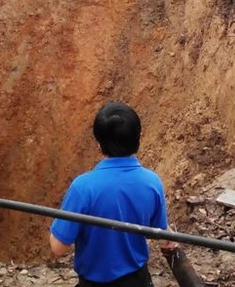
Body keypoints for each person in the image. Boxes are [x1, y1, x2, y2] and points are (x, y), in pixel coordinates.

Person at [50, 102, 169, 286]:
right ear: (139, 137)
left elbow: (58, 247)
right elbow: (158, 231)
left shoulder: (83, 187)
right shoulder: (152, 182)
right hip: (138, 281)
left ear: (98, 143)